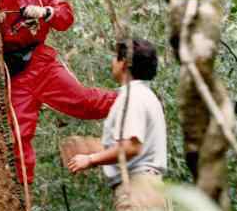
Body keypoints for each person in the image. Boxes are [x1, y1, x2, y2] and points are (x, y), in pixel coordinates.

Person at [0, 0, 118, 184]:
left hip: (41, 63)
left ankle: (128, 100)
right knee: (17, 135)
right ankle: (21, 194)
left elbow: (65, 18)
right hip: (14, 73)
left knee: (84, 102)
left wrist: (45, 13)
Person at [68, 39, 168, 210]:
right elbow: (137, 146)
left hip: (137, 191)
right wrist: (93, 148)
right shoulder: (146, 95)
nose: (112, 61)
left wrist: (90, 159)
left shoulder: (132, 96)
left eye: (116, 57)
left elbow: (131, 147)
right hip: (151, 191)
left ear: (124, 63)